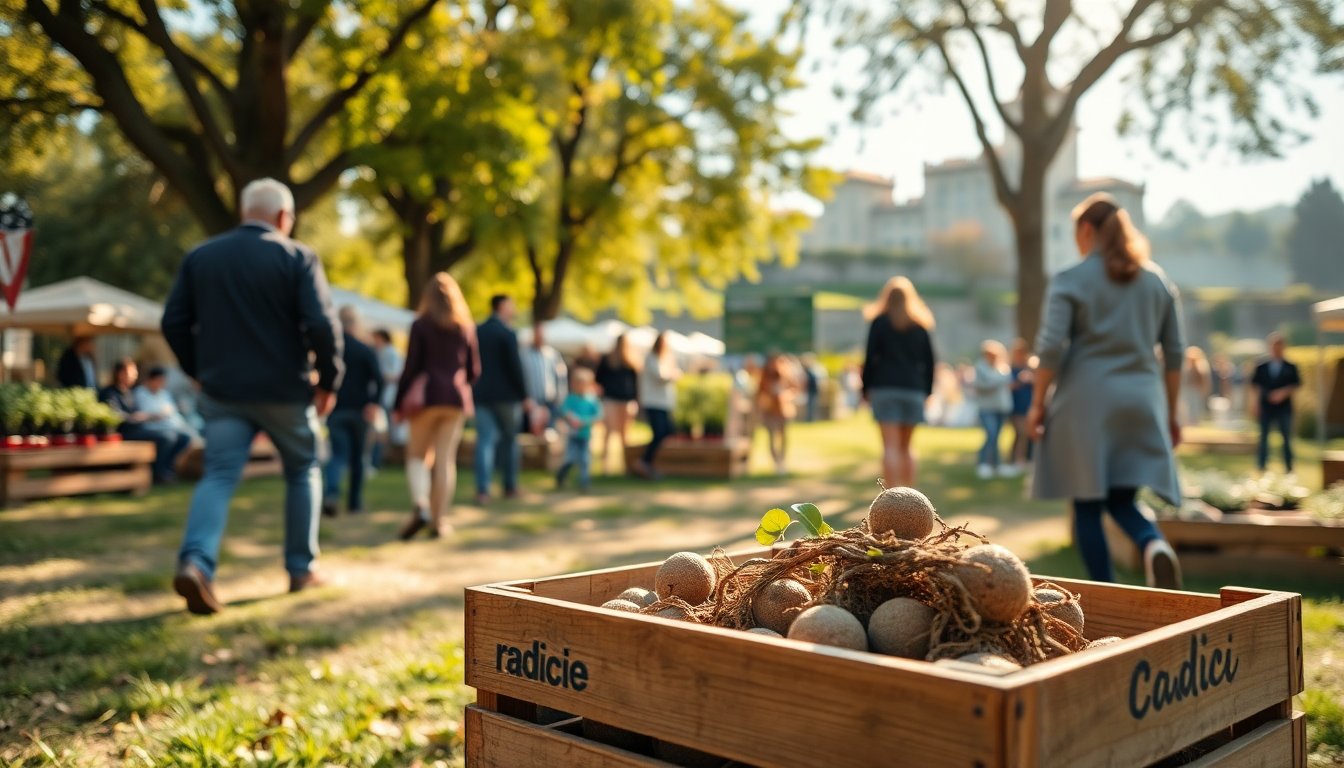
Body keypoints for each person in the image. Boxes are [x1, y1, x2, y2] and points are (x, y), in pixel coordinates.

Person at [161, 177, 343, 615]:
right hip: (285, 389)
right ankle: (301, 570)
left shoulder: (201, 257)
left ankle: (196, 563)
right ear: (283, 218)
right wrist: (328, 382)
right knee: (303, 469)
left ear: (245, 212)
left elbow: (173, 322)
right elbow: (322, 325)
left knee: (219, 475)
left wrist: (196, 371)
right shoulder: (298, 256)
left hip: (223, 391)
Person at [1027, 193, 1183, 589]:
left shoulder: (1070, 278)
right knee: (1121, 500)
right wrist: (1172, 412)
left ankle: (1107, 590)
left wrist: (1037, 404)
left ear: (1086, 230)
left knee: (1087, 504)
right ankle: (1153, 544)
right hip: (1141, 401)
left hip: (1086, 403)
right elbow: (1175, 352)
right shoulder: (1156, 280)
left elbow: (1050, 347)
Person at [393, 273, 480, 539]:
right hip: (454, 399)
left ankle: (421, 505)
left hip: (426, 398)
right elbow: (474, 370)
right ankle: (439, 522)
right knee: (444, 461)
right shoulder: (464, 326)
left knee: (417, 456)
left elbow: (411, 367)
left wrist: (398, 402)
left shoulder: (421, 325)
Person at [861, 276, 936, 487]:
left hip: (884, 388)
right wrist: (927, 391)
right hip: (913, 389)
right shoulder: (920, 326)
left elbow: (869, 358)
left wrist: (865, 388)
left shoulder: (880, 322)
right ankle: (909, 498)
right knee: (907, 447)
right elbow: (930, 362)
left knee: (890, 447)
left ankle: (892, 497)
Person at [322, 307, 384, 518]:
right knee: (358, 458)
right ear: (355, 324)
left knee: (337, 456)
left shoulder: (332, 349)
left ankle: (331, 495)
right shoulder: (365, 349)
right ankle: (354, 503)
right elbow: (380, 379)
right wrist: (374, 403)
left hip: (336, 410)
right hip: (360, 412)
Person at [473, 294, 531, 504]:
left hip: (481, 394)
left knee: (485, 441)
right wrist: (525, 395)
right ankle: (509, 486)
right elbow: (515, 367)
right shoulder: (507, 333)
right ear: (502, 306)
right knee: (509, 441)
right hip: (506, 396)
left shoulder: (478, 331)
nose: (514, 309)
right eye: (511, 305)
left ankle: (483, 489)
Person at [100, 359, 192, 484]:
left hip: (139, 428)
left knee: (182, 437)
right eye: (131, 372)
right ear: (120, 373)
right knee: (166, 437)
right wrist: (134, 418)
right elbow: (116, 416)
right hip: (125, 432)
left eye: (134, 372)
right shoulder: (110, 393)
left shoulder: (130, 392)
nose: (134, 376)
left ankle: (166, 469)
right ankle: (158, 472)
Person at [1250, 332, 1300, 474]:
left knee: (1286, 437)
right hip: (1266, 406)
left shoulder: (1290, 366)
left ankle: (1289, 467)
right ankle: (1261, 466)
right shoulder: (1262, 366)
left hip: (1284, 407)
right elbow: (1256, 386)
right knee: (1264, 437)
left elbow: (1295, 384)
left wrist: (1282, 393)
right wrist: (1256, 404)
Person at [634, 332, 681, 479]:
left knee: (667, 430)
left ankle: (649, 461)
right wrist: (674, 374)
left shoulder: (665, 359)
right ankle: (644, 461)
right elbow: (662, 377)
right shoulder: (651, 359)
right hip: (653, 402)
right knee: (659, 432)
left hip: (664, 403)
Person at [594, 333, 640, 474]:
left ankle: (626, 465)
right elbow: (598, 378)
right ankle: (605, 466)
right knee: (608, 432)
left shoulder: (631, 361)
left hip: (626, 401)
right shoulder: (607, 359)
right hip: (611, 399)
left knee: (624, 435)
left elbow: (636, 383)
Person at [555, 367, 602, 491]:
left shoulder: (591, 400)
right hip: (572, 435)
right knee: (570, 458)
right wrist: (570, 417)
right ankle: (562, 474)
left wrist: (586, 421)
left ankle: (584, 481)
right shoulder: (571, 399)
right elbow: (563, 410)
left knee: (585, 459)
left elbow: (599, 415)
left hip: (585, 435)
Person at [973, 340, 1014, 479]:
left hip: (1001, 407)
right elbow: (982, 386)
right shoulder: (981, 368)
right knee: (990, 434)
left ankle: (997, 465)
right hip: (986, 407)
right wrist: (998, 381)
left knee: (996, 436)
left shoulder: (1002, 368)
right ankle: (983, 463)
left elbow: (1006, 384)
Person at [521, 321, 568, 435]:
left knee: (549, 433)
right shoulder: (524, 355)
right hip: (531, 401)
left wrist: (561, 397)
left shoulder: (552, 354)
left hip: (549, 401)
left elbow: (561, 377)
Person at [134, 365, 201, 443]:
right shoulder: (140, 393)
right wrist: (161, 413)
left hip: (173, 425)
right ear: (151, 380)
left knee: (190, 434)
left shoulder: (164, 393)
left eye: (162, 381)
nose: (161, 383)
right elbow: (145, 415)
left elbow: (172, 410)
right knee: (170, 437)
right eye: (158, 380)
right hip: (154, 427)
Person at [757, 352, 800, 475]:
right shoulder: (764, 376)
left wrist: (786, 395)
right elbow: (759, 393)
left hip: (784, 409)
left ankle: (782, 460)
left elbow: (795, 388)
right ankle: (776, 462)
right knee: (771, 437)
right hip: (770, 410)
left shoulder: (785, 373)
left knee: (784, 436)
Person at [370, 328, 404, 469]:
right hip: (382, 397)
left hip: (387, 397)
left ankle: (377, 461)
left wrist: (378, 375)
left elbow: (396, 375)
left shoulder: (391, 353)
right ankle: (376, 460)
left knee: (380, 430)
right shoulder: (381, 353)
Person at [1008, 339, 1035, 471]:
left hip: (1028, 404)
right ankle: (1018, 460)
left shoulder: (1030, 367)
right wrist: (1020, 380)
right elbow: (1009, 386)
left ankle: (1022, 458)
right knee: (1020, 432)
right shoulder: (1010, 368)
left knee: (1026, 434)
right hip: (1015, 405)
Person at [1182, 346, 1211, 426]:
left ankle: (1194, 421)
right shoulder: (1186, 366)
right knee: (1188, 406)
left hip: (1195, 390)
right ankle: (1189, 421)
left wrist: (1204, 389)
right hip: (1188, 389)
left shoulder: (1201, 365)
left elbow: (1204, 380)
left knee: (1195, 406)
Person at [800, 354, 827, 422]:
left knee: (814, 404)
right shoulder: (808, 369)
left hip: (815, 389)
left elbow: (820, 379)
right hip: (810, 389)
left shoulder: (816, 368)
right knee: (810, 405)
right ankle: (810, 418)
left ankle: (812, 418)